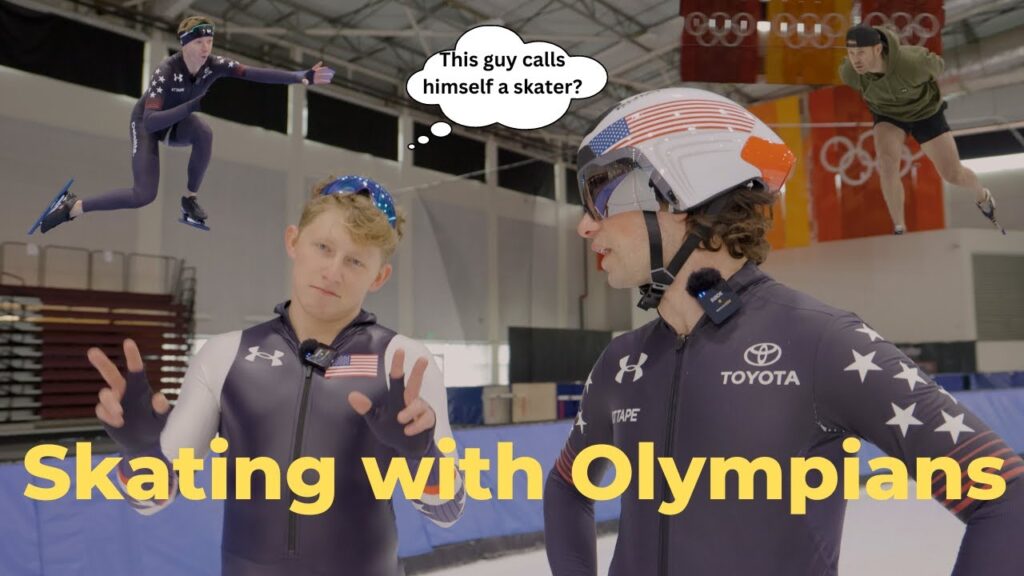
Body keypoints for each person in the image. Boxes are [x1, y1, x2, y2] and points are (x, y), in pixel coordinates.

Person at [543, 87, 1023, 575]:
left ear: (683, 190)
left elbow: (1007, 498)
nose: (585, 226)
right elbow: (566, 486)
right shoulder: (621, 362)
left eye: (602, 194)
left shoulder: (823, 343)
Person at [90, 175, 465, 575]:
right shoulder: (224, 356)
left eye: (355, 261)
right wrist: (141, 453)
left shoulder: (403, 362)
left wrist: (422, 456)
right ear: (293, 241)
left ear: (378, 277)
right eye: (323, 247)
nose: (333, 271)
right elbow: (150, 499)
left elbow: (447, 510)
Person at [29, 16, 334, 234]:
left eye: (209, 41)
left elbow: (253, 73)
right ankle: (74, 207)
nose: (206, 48)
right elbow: (151, 121)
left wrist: (300, 76)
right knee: (143, 195)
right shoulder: (166, 71)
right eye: (199, 42)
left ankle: (190, 200)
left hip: (176, 124)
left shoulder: (214, 65)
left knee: (204, 132)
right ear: (185, 44)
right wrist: (190, 106)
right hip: (147, 125)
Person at [839, 23, 1004, 235]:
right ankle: (899, 227)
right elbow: (852, 74)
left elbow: (938, 66)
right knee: (887, 164)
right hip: (888, 115)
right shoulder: (850, 73)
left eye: (861, 53)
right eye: (851, 53)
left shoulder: (912, 64)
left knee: (953, 175)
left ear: (878, 49)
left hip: (926, 114)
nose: (856, 60)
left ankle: (982, 194)